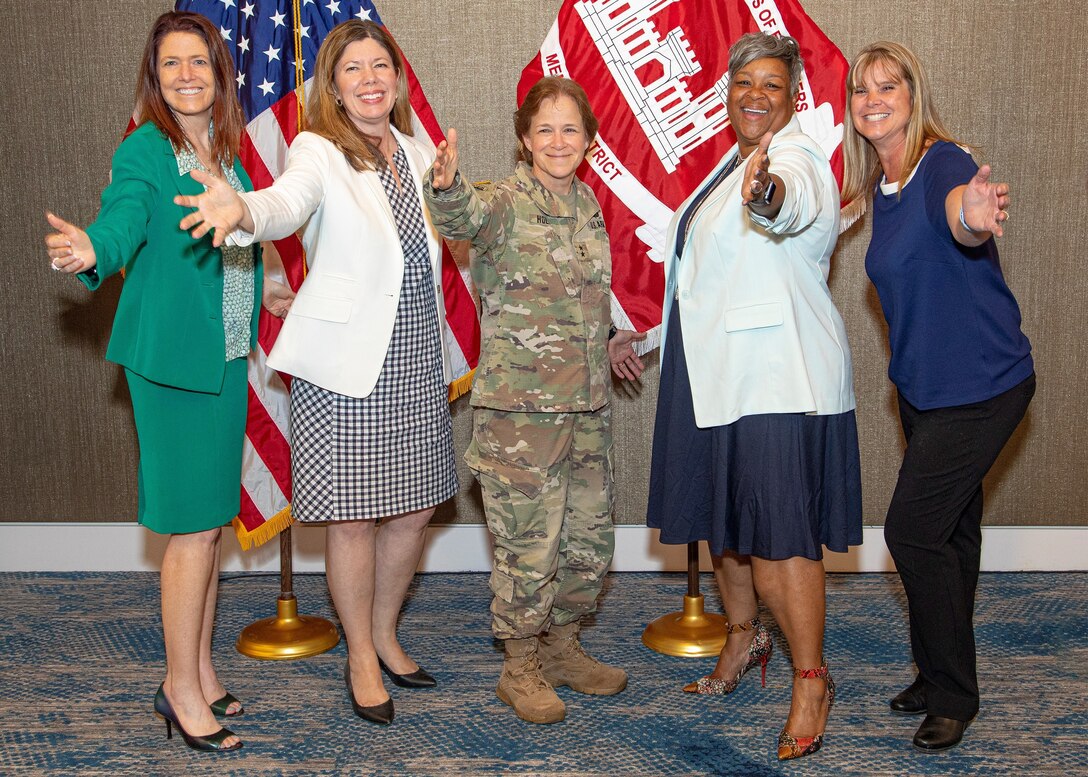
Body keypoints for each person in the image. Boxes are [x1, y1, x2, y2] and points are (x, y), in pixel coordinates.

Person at [175, 20, 458, 727]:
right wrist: (241, 208)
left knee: (417, 505)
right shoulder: (317, 149)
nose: (370, 79)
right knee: (356, 518)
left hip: (417, 354)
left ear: (395, 77)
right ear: (332, 84)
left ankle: (386, 630)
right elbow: (286, 202)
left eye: (380, 66)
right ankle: (360, 653)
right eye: (354, 68)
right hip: (344, 366)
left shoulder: (420, 152)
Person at [44, 11, 260, 753]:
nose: (186, 75)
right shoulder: (145, 148)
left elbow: (237, 238)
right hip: (171, 360)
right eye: (171, 64)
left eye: (198, 61)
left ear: (218, 72)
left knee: (210, 522)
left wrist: (271, 292)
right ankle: (178, 690)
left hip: (226, 354)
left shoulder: (224, 148)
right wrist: (91, 249)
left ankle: (197, 671)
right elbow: (125, 217)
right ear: (154, 76)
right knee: (191, 529)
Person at [645, 33, 862, 761]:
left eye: (772, 84)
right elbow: (697, 272)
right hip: (715, 372)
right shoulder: (723, 166)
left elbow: (785, 202)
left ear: (793, 94)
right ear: (727, 92)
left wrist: (766, 192)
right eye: (744, 83)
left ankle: (812, 678)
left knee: (779, 536)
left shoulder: (792, 160)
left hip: (775, 376)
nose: (756, 96)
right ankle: (743, 640)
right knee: (724, 524)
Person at [422, 76, 644, 725]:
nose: (557, 140)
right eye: (544, 128)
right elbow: (462, 215)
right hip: (520, 417)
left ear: (588, 141)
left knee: (587, 541)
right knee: (528, 545)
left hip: (585, 409)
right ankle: (518, 664)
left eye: (569, 129)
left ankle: (562, 646)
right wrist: (445, 186)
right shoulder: (504, 202)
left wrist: (603, 339)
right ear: (524, 138)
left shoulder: (587, 206)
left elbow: (575, 295)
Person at [842, 41, 1034, 753]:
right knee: (951, 532)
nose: (873, 99)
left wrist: (974, 215)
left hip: (986, 387)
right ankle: (935, 669)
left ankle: (954, 693)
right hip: (925, 393)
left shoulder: (942, 164)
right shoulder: (883, 188)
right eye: (861, 90)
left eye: (887, 85)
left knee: (913, 532)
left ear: (912, 93)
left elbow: (959, 212)